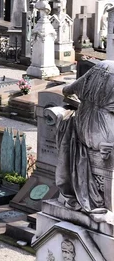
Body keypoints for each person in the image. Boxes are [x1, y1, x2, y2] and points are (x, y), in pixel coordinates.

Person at [56, 60, 114, 216]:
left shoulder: (100, 67)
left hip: (83, 130)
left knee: (70, 126)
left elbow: (67, 90)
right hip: (105, 135)